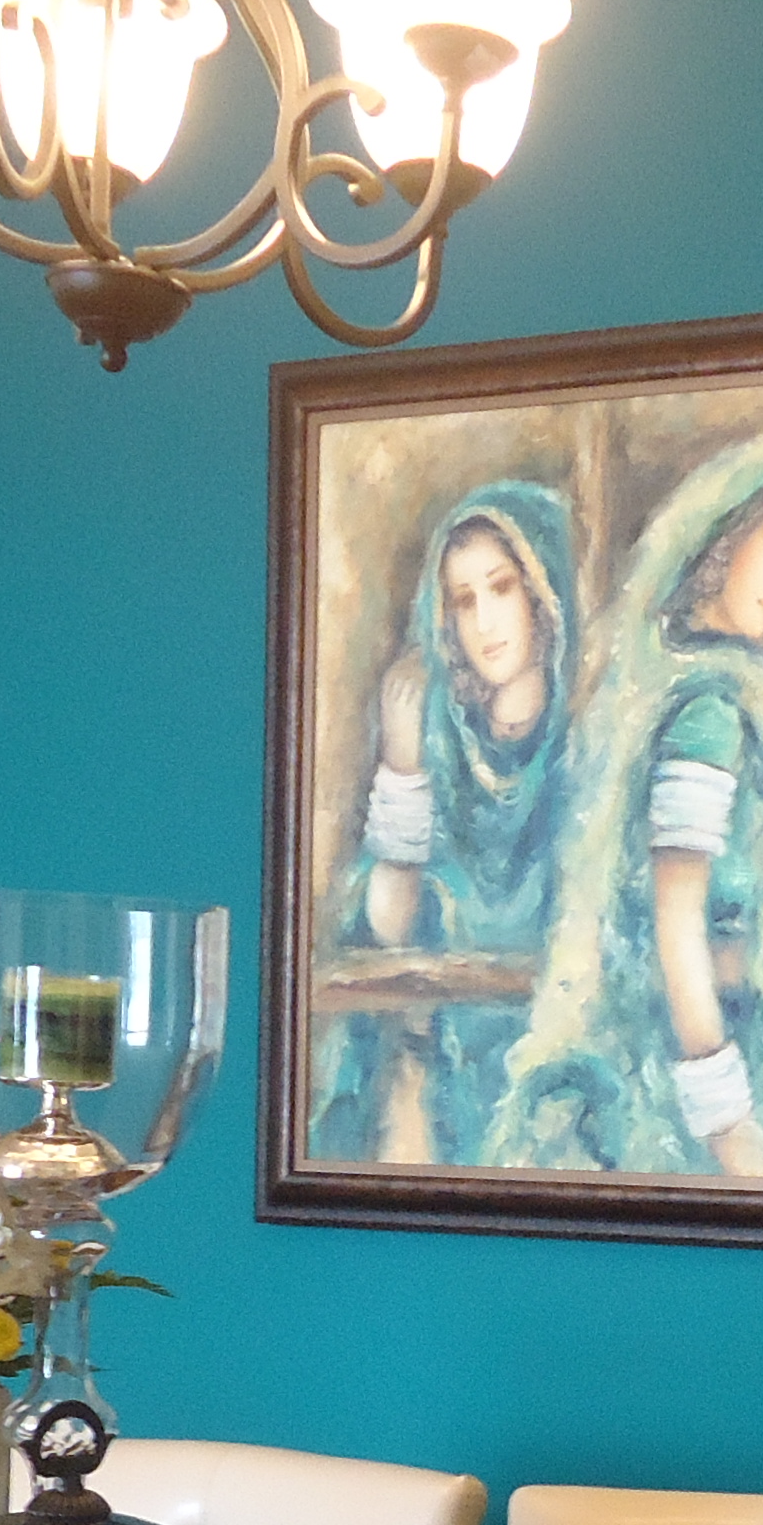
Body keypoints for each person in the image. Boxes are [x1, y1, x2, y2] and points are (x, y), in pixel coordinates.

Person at [489, 436, 763, 1176]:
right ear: (723, 540)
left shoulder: (705, 684)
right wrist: (724, 1114)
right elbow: (676, 917)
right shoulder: (708, 709)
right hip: (689, 1062)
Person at [308, 480, 581, 1164]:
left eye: (501, 588)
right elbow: (388, 929)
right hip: (442, 1060)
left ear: (542, 595)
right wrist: (402, 771)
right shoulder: (437, 733)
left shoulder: (586, 736)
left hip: (554, 1059)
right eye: (464, 600)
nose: (485, 620)